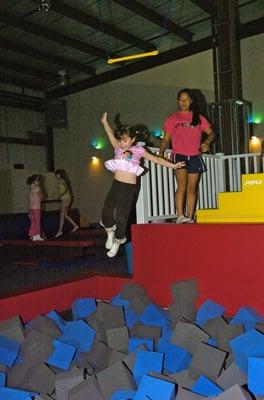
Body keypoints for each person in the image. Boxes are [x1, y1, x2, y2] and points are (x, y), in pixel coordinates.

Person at [100, 112, 185, 257]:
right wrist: (104, 122)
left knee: (122, 216)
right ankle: (110, 232)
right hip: (116, 184)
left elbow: (157, 159)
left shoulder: (138, 151)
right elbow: (110, 134)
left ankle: (118, 240)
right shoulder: (118, 148)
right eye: (120, 140)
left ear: (133, 139)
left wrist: (173, 165)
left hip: (128, 188)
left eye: (125, 140)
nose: (121, 143)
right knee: (106, 211)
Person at [159, 88, 215, 224]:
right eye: (181, 100)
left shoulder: (199, 118)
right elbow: (166, 139)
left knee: (192, 187)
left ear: (191, 101)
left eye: (186, 100)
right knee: (182, 185)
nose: (183, 102)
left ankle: (190, 217)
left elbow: (211, 133)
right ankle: (179, 215)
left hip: (195, 156)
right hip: (180, 155)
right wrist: (160, 153)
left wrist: (206, 142)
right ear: (178, 101)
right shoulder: (173, 118)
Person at [54, 169, 79, 238]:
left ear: (60, 174)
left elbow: (66, 189)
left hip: (65, 198)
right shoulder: (62, 180)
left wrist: (60, 195)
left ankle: (59, 231)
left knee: (61, 215)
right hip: (67, 198)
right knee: (65, 215)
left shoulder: (62, 180)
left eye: (57, 174)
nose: (56, 176)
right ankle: (75, 225)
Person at [26, 174, 44, 241]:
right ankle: (37, 235)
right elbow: (42, 196)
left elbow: (29, 199)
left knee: (33, 222)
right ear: (34, 180)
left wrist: (29, 210)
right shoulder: (37, 187)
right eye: (37, 180)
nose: (38, 182)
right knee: (37, 222)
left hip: (31, 207)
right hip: (36, 207)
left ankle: (32, 235)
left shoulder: (31, 187)